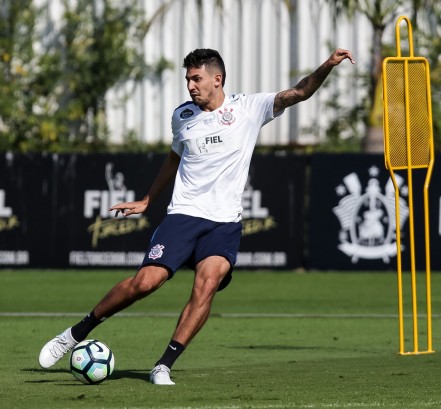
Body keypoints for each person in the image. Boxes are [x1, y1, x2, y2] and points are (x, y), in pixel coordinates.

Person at [38, 47, 355, 385]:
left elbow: (301, 91)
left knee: (207, 286)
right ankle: (75, 332)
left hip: (225, 222)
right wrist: (147, 199)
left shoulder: (248, 108)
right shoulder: (182, 116)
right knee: (146, 283)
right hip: (184, 216)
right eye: (187, 79)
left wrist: (328, 65)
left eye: (196, 78)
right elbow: (173, 159)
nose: (190, 85)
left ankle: (163, 366)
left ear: (217, 80)